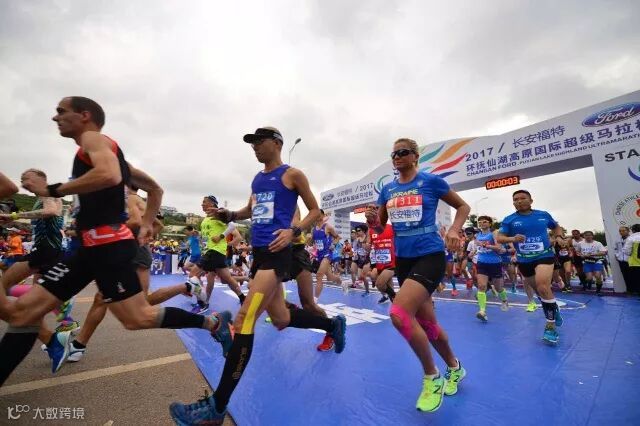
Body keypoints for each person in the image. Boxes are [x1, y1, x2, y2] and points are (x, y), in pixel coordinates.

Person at [0, 96, 232, 387]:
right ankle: (213, 323)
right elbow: (155, 189)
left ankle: (213, 323)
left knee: (138, 317)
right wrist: (146, 223)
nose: (55, 117)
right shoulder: (112, 156)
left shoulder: (93, 139)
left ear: (85, 116)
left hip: (109, 248)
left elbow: (109, 175)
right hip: (88, 249)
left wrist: (52, 190)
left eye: (61, 111)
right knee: (24, 313)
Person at [170, 126, 347, 424]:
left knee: (243, 320)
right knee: (281, 318)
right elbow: (251, 210)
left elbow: (315, 211)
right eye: (252, 143)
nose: (255, 147)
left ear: (277, 143)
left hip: (278, 255)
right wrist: (230, 216)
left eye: (259, 142)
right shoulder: (257, 179)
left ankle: (216, 407)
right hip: (260, 255)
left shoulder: (292, 174)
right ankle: (332, 325)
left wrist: (293, 231)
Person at [369, 138, 469, 413]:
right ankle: (455, 367)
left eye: (403, 152)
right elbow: (379, 228)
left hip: (430, 255)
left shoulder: (431, 182)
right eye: (393, 154)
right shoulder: (387, 189)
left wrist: (453, 230)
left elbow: (463, 207)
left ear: (415, 156)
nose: (397, 157)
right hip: (404, 259)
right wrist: (373, 222)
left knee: (399, 314)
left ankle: (431, 377)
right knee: (428, 325)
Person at [64, 185, 205, 362]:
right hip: (127, 251)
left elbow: (140, 222)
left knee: (139, 304)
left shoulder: (131, 198)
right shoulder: (130, 200)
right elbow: (157, 224)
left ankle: (187, 286)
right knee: (102, 298)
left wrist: (130, 236)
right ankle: (79, 345)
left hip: (135, 253)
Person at [497, 189, 564, 344]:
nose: (519, 201)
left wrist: (559, 236)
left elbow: (556, 226)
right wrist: (513, 238)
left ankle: (550, 327)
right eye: (515, 199)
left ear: (531, 200)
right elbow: (500, 238)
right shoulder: (509, 220)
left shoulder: (543, 215)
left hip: (544, 255)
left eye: (522, 198)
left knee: (543, 287)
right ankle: (554, 308)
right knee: (540, 293)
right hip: (524, 260)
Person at [474, 216, 509, 322]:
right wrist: (474, 251)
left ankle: (504, 300)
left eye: (484, 222)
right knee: (481, 286)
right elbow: (479, 248)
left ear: (490, 223)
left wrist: (485, 245)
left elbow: (498, 247)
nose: (482, 223)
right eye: (480, 222)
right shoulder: (478, 235)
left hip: (495, 263)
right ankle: (482, 311)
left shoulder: (494, 233)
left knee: (499, 288)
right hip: (482, 262)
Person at [312, 210, 342, 299]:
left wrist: (334, 245)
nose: (317, 216)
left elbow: (338, 237)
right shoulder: (314, 229)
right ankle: (342, 283)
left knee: (319, 275)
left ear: (323, 215)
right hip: (319, 255)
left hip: (327, 254)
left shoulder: (327, 227)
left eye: (319, 215)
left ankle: (315, 300)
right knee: (330, 277)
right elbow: (314, 242)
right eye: (316, 215)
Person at [574, 231, 607, 295]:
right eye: (586, 235)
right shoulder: (580, 243)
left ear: (592, 236)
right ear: (584, 236)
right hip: (587, 262)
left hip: (597, 262)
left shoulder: (598, 243)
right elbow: (577, 251)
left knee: (598, 276)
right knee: (589, 278)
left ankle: (598, 291)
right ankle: (588, 283)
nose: (588, 236)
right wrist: (581, 255)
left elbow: (604, 252)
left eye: (589, 235)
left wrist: (592, 254)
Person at [623, 224, 640, 294]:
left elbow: (627, 251)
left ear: (633, 230)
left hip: (635, 262)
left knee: (637, 279)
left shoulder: (631, 238)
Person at [614, 226, 632, 292]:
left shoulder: (632, 239)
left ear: (628, 231)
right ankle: (629, 289)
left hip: (631, 261)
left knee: (633, 275)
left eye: (623, 230)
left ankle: (636, 289)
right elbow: (615, 249)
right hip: (621, 261)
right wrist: (617, 256)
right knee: (625, 276)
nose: (621, 232)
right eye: (620, 231)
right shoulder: (617, 240)